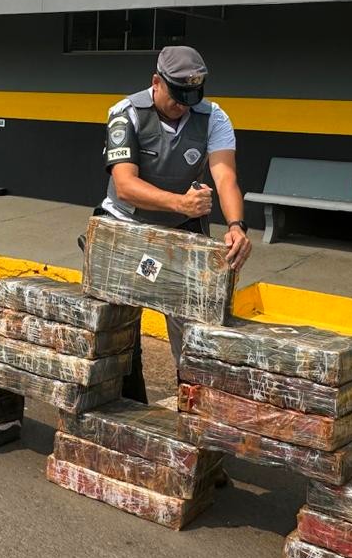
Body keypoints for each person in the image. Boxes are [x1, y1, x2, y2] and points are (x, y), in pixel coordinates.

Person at [96, 44, 252, 404]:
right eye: (177, 96)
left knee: (192, 321)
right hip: (127, 227)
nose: (183, 105)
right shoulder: (125, 113)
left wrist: (236, 224)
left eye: (190, 97)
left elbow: (225, 175)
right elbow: (125, 185)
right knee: (120, 325)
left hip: (183, 230)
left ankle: (194, 404)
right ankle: (125, 405)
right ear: (156, 82)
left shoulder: (213, 117)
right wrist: (179, 201)